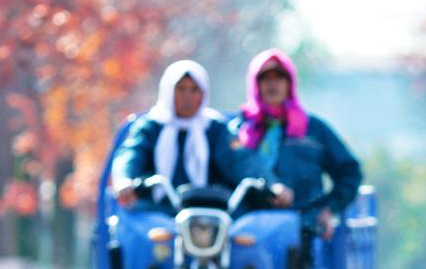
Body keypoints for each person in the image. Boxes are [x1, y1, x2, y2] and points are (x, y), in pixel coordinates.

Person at [111, 59, 293, 212]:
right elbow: (131, 154)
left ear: (203, 93)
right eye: (181, 89)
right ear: (168, 91)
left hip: (209, 215)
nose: (187, 96)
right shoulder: (151, 127)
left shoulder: (215, 128)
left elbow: (241, 160)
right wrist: (125, 180)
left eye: (194, 89)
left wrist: (272, 184)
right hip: (158, 212)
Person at [228, 49, 362, 238]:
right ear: (255, 84)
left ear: (289, 83)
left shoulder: (313, 130)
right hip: (245, 229)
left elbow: (349, 172)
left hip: (302, 227)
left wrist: (329, 209)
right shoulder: (238, 131)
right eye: (265, 78)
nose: (272, 84)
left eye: (279, 77)